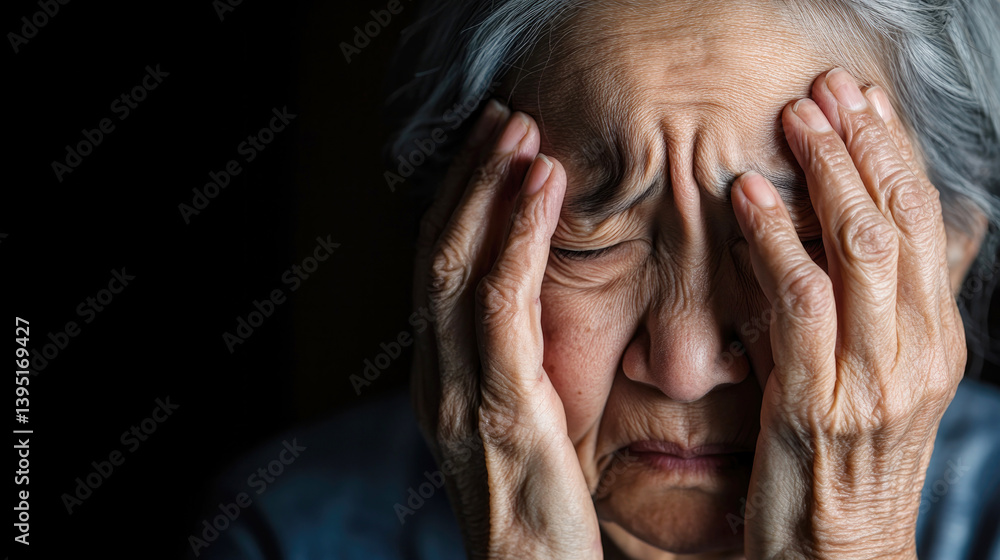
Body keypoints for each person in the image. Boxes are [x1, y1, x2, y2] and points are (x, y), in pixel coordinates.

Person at [194, 1, 1000, 558]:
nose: (683, 368)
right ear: (461, 252)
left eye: (800, 242)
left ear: (950, 250)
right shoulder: (284, 533)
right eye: (587, 237)